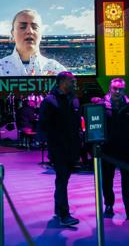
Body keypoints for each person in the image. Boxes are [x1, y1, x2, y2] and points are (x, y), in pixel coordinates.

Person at [39, 71, 81, 226]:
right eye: (72, 81)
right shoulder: (49, 101)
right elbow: (43, 125)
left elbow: (76, 124)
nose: (74, 83)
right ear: (62, 82)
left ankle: (59, 210)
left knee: (63, 180)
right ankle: (64, 214)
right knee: (62, 181)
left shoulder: (74, 100)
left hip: (72, 148)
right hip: (58, 149)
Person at [101, 78, 129, 220]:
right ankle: (108, 205)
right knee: (107, 179)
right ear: (110, 89)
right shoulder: (101, 105)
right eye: (115, 88)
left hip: (126, 149)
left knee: (128, 181)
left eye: (120, 89)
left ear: (124, 90)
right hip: (108, 149)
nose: (117, 91)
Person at [0, 9, 66, 76]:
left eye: (35, 27)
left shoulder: (57, 69)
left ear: (41, 34)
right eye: (22, 27)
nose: (29, 31)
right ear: (13, 34)